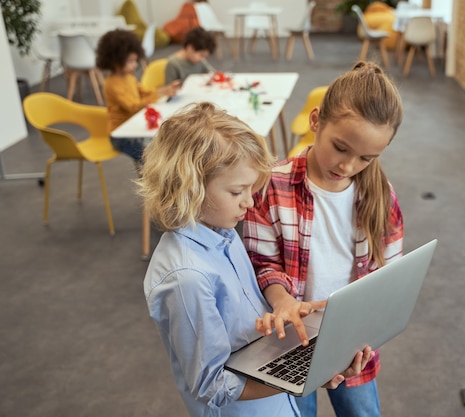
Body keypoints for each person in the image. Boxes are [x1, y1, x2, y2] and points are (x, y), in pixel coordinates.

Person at [137, 101, 374, 417]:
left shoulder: (224, 230)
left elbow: (242, 324)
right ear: (188, 188)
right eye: (237, 192)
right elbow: (213, 386)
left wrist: (293, 314)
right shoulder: (186, 278)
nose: (249, 202)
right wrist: (308, 377)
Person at [243, 61, 405, 417]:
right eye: (341, 147)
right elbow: (262, 263)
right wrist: (283, 300)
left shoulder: (381, 195)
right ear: (316, 121)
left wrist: (364, 332)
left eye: (367, 157)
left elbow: (389, 279)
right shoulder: (271, 186)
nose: (348, 166)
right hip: (292, 341)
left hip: (354, 344)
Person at [95, 29, 180, 163]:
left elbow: (145, 92)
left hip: (135, 127)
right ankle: (150, 181)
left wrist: (165, 90)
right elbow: (132, 107)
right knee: (150, 159)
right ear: (115, 60)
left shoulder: (129, 77)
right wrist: (159, 93)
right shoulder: (112, 84)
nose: (135, 65)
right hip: (121, 135)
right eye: (130, 61)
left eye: (135, 60)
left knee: (162, 147)